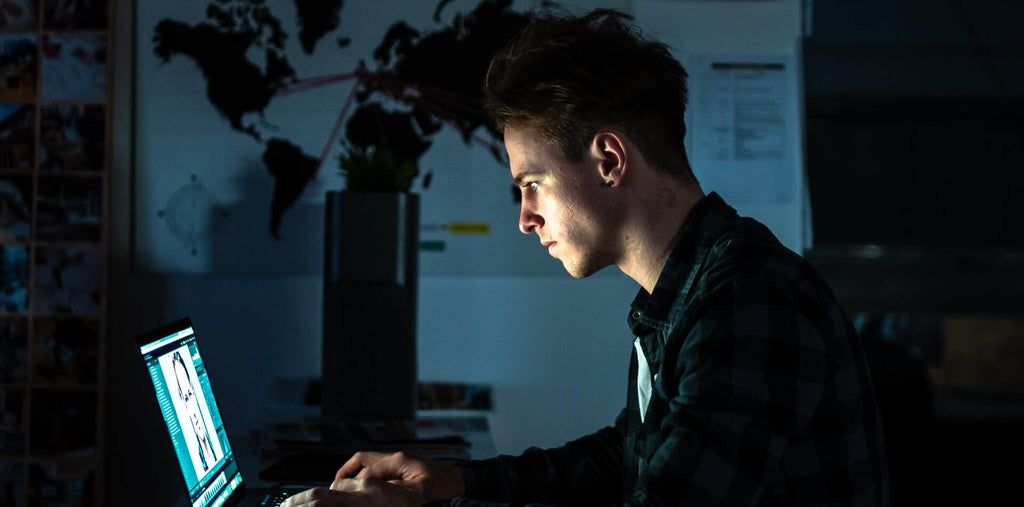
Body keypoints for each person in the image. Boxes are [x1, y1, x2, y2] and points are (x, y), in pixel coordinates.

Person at [283, 8, 888, 507]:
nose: (524, 218)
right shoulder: (686, 291)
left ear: (608, 159)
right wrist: (454, 482)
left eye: (531, 183)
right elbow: (627, 451)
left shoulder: (747, 300)